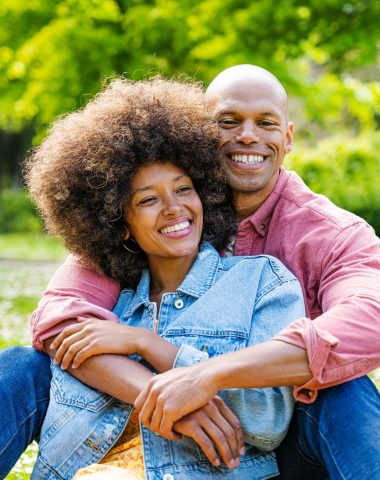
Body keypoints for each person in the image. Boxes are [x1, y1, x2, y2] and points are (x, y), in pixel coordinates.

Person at [0, 64, 379, 478]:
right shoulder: (144, 230)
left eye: (265, 123)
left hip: (267, 436)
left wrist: (205, 376)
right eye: (228, 121)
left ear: (287, 137)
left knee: (342, 389)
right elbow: (61, 320)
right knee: (22, 365)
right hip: (147, 427)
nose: (248, 135)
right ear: (201, 134)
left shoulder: (328, 235)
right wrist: (162, 394)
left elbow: (367, 320)